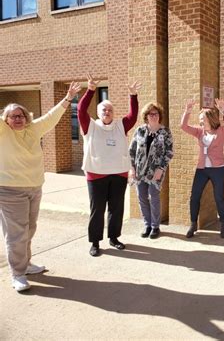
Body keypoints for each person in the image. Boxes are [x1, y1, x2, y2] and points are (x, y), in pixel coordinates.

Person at [0, 81, 82, 292]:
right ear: (5, 119)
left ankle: (25, 264)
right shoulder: (3, 131)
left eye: (20, 115)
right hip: (10, 190)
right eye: (13, 116)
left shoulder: (33, 128)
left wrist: (68, 98)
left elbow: (51, 117)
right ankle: (17, 274)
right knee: (16, 234)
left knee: (29, 229)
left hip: (34, 187)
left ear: (26, 117)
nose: (17, 119)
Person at [78, 74, 141, 257]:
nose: (107, 113)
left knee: (116, 208)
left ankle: (114, 238)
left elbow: (133, 116)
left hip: (119, 173)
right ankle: (95, 243)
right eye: (104, 110)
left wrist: (133, 95)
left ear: (114, 113)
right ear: (98, 113)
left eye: (110, 110)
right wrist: (90, 90)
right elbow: (81, 110)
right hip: (96, 174)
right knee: (97, 209)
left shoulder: (121, 125)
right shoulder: (89, 126)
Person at [181, 98, 224, 238]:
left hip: (218, 168)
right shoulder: (200, 132)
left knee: (219, 197)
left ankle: (223, 224)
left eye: (203, 119)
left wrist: (223, 110)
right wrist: (187, 111)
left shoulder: (221, 131)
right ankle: (193, 224)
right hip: (202, 169)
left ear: (210, 119)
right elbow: (183, 126)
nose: (201, 122)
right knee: (194, 196)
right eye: (200, 119)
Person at [129, 102, 173, 239]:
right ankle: (147, 224)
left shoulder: (165, 132)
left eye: (156, 114)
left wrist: (161, 168)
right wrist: (131, 168)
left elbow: (169, 152)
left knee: (154, 197)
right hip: (140, 171)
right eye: (151, 114)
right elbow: (131, 150)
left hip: (156, 171)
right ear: (146, 116)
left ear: (159, 116)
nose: (154, 116)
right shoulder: (140, 130)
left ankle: (155, 226)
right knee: (142, 197)